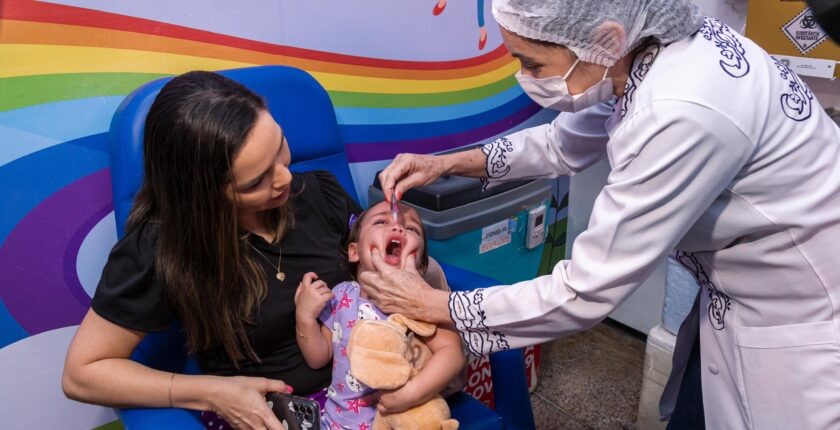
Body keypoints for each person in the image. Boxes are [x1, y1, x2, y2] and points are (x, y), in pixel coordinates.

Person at [360, 1, 840, 429]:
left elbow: (586, 290)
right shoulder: (645, 53)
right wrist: (446, 163)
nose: (524, 77)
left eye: (532, 63)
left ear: (606, 38)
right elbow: (561, 143)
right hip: (738, 299)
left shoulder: (681, 109)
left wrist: (436, 305)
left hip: (801, 313)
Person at [61, 70, 367, 430]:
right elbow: (82, 374)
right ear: (203, 195)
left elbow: (378, 278)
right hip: (280, 414)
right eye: (256, 181)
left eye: (280, 147)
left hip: (372, 387)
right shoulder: (162, 248)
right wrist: (211, 393)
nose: (285, 177)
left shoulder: (319, 192)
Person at [295, 200, 466, 429]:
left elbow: (452, 354)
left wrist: (410, 394)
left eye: (411, 228)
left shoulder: (420, 303)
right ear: (354, 251)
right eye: (381, 222)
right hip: (336, 422)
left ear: (420, 264)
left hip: (398, 420)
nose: (397, 227)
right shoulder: (342, 295)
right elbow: (318, 357)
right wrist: (305, 317)